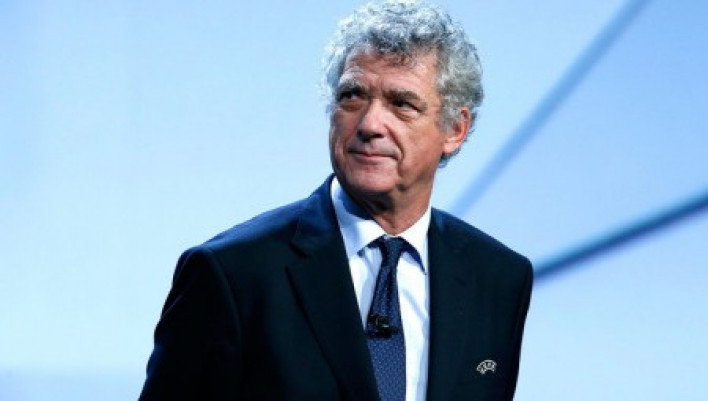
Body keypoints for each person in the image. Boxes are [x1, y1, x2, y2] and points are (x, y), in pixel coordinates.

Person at [139, 1, 532, 400]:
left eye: (402, 104)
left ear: (455, 129)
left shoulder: (499, 278)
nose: (370, 124)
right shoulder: (233, 274)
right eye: (352, 96)